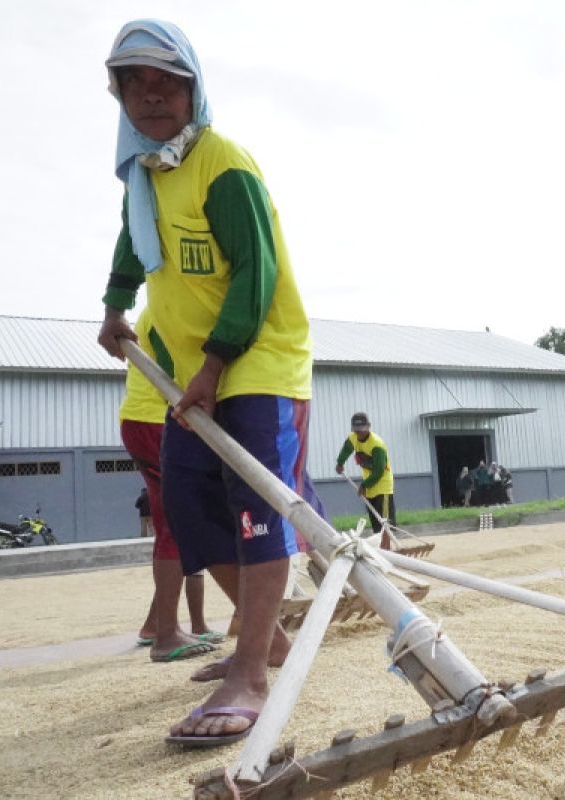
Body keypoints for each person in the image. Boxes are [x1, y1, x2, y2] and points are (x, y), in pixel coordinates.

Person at [96, 19, 325, 746]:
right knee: (193, 508)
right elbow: (134, 241)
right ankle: (271, 642)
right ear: (120, 95)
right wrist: (113, 307)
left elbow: (255, 273)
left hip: (255, 356)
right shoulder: (148, 172)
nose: (152, 96)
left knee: (255, 505)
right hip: (190, 367)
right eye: (136, 83)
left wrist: (217, 365)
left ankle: (252, 672)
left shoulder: (220, 162)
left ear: (194, 89)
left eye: (167, 82)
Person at [120, 311, 223, 663]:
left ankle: (158, 625)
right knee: (179, 525)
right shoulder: (163, 313)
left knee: (173, 524)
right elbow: (179, 372)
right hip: (153, 422)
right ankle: (165, 633)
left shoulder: (158, 312)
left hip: (147, 421)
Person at [335, 412, 395, 549]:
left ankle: (387, 550)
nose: (359, 434)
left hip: (382, 484)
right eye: (356, 431)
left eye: (361, 430)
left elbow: (379, 471)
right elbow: (346, 450)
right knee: (375, 521)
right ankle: (381, 550)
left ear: (368, 427)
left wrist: (364, 485)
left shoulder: (376, 445)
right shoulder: (353, 438)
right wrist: (340, 463)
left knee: (385, 521)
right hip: (369, 484)